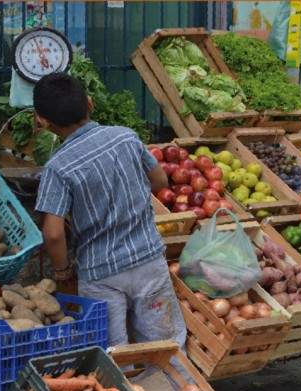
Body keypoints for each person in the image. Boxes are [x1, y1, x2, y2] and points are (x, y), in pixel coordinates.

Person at [33, 73, 186, 349]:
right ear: (90, 103)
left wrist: (62, 271)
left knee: (111, 353)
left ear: (42, 121)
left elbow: (53, 233)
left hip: (100, 274)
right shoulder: (126, 138)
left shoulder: (57, 167)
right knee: (165, 347)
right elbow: (160, 181)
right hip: (148, 260)